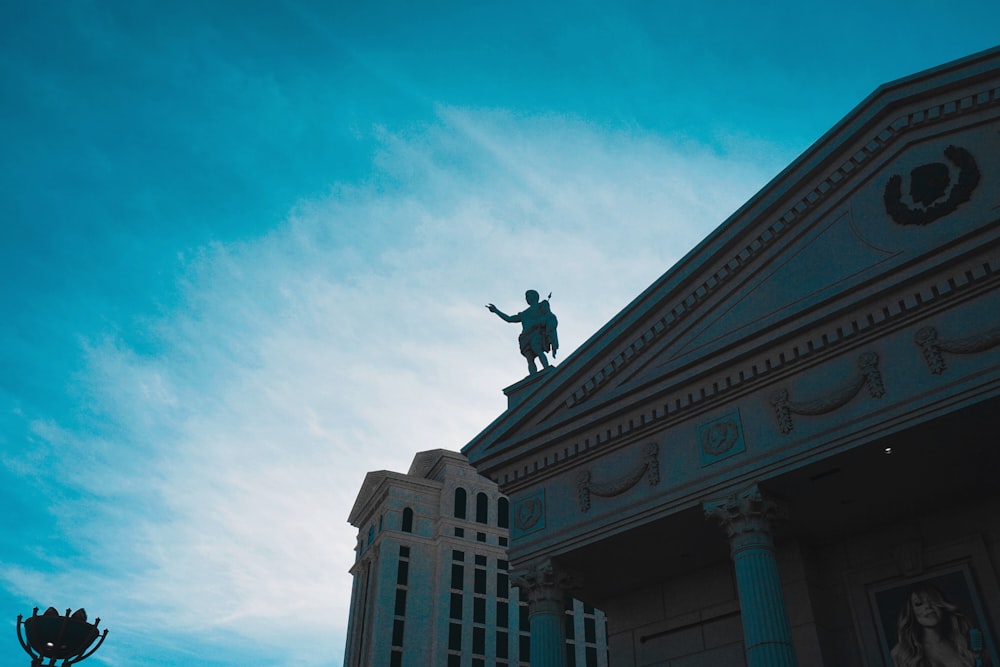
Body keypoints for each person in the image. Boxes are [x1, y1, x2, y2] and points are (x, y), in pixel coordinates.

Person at [891, 582, 981, 667]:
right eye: (919, 603)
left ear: (942, 604)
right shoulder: (901, 653)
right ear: (912, 612)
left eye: (933, 600)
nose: (927, 606)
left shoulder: (963, 643)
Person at [486, 290, 559, 375]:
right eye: (526, 296)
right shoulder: (524, 314)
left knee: (538, 350)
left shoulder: (541, 306)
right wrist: (496, 311)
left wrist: (542, 321)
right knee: (529, 358)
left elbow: (549, 316)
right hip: (525, 337)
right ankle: (533, 376)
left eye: (528, 296)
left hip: (536, 333)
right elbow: (509, 319)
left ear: (535, 297)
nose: (526, 298)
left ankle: (546, 369)